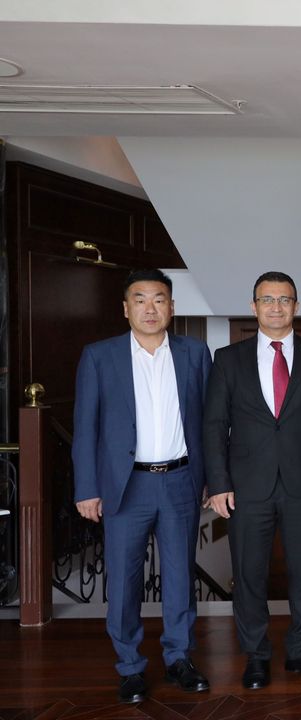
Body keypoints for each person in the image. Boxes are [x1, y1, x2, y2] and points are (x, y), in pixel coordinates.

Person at [72, 269, 213, 703]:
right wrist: (86, 488)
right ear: (126, 307)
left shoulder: (194, 353)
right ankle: (130, 666)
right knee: (124, 580)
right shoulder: (100, 356)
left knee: (179, 576)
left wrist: (211, 479)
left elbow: (209, 422)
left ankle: (178, 658)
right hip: (125, 486)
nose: (150, 308)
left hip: (180, 482)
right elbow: (85, 427)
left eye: (159, 299)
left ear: (171, 307)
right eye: (140, 299)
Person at [204, 271, 301, 689]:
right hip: (247, 486)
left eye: (284, 300)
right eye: (268, 299)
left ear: (296, 306)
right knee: (249, 574)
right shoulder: (228, 358)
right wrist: (219, 483)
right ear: (254, 306)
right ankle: (256, 655)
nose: (276, 307)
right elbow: (214, 425)